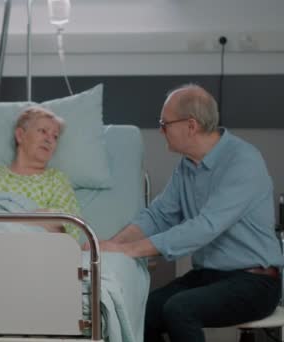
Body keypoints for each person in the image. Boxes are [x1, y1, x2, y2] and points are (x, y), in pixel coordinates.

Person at [84, 84, 284, 342]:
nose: (160, 130)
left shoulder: (243, 161)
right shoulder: (188, 166)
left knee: (180, 309)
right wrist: (111, 245)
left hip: (255, 282)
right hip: (211, 276)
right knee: (144, 310)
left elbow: (204, 227)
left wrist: (131, 250)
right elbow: (158, 215)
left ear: (191, 126)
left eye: (164, 123)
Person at [0, 105, 81, 240]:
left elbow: (67, 225)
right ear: (20, 135)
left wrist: (10, 223)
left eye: (55, 136)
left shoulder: (56, 180)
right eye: (43, 131)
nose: (49, 140)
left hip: (26, 242)